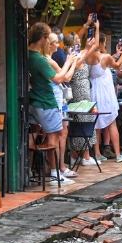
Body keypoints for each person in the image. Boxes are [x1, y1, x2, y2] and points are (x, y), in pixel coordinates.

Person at [26, 22, 73, 185]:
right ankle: (54, 174)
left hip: (33, 101)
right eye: (48, 39)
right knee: (55, 135)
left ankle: (29, 171)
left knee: (32, 135)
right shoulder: (39, 59)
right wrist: (69, 61)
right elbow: (59, 78)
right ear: (43, 39)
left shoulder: (27, 55)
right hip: (45, 101)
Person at [42, 31, 81, 182]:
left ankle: (58, 168)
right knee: (57, 134)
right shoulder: (48, 61)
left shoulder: (48, 59)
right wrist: (70, 62)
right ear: (49, 44)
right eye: (55, 43)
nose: (58, 46)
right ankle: (56, 169)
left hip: (57, 99)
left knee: (60, 133)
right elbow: (66, 77)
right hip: (55, 100)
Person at [88, 33, 122, 162]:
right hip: (105, 93)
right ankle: (118, 154)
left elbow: (106, 63)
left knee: (97, 124)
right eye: (104, 42)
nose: (105, 45)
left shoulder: (89, 56)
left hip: (94, 91)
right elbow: (117, 66)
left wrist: (116, 54)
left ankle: (97, 153)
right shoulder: (104, 57)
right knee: (112, 122)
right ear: (100, 43)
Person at [65, 26, 100, 167]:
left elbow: (93, 45)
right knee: (82, 118)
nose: (79, 42)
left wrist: (94, 28)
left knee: (85, 117)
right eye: (77, 40)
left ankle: (81, 155)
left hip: (84, 89)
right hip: (79, 91)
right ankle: (82, 156)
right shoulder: (75, 58)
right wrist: (96, 29)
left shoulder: (77, 55)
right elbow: (95, 45)